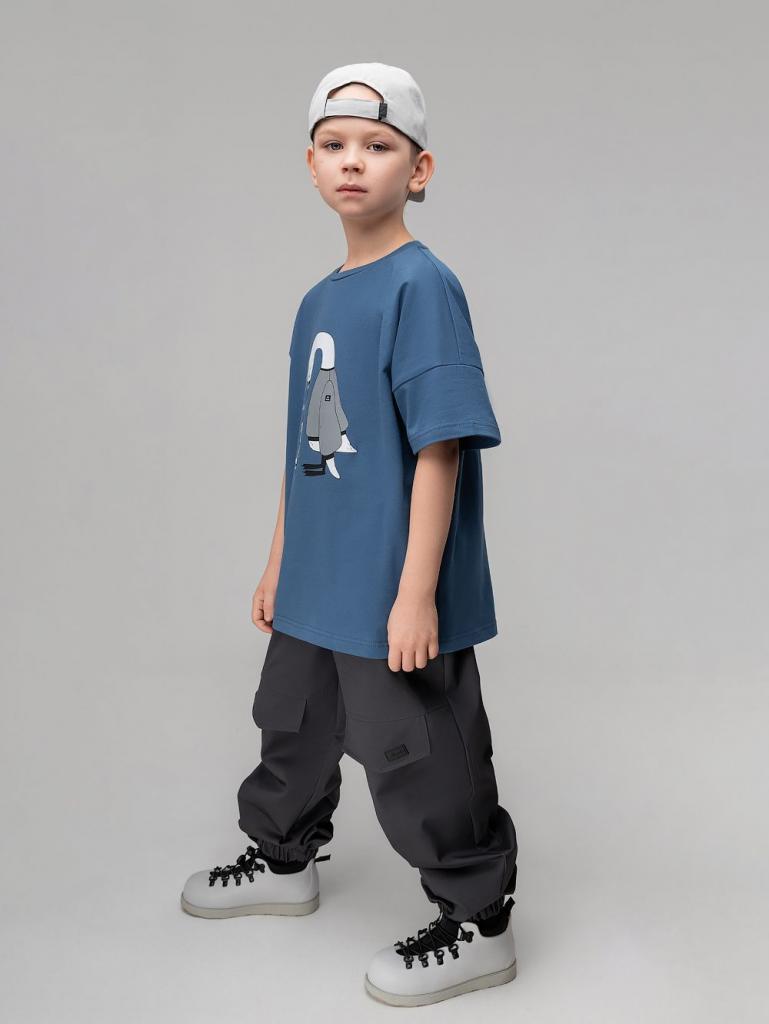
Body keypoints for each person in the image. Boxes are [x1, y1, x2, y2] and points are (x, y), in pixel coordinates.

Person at [180, 61, 519, 1008]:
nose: (353, 161)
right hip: (317, 579)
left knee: (417, 748)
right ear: (310, 164)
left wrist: (415, 593)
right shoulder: (318, 299)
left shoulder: (422, 285)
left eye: (377, 145)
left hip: (387, 581)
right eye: (333, 145)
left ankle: (477, 921)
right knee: (291, 723)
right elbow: (307, 449)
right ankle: (282, 859)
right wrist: (279, 564)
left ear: (419, 169)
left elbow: (440, 448)